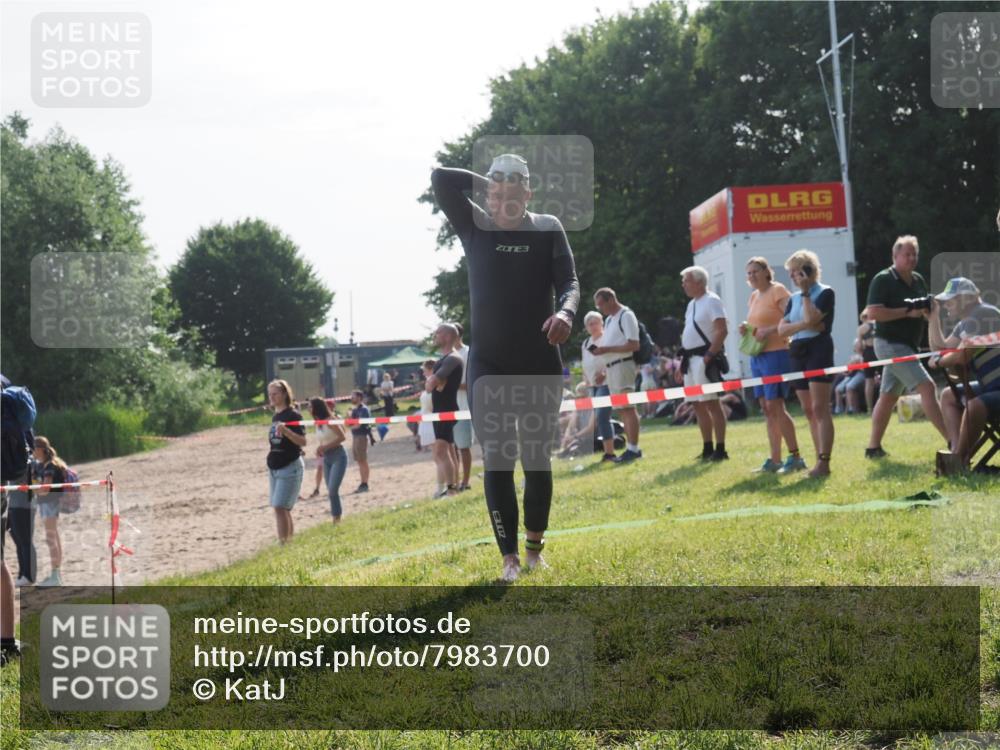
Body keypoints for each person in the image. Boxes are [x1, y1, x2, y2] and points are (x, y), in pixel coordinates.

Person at [431, 153, 579, 582]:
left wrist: (566, 315)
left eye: (513, 195)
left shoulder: (548, 228)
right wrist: (492, 183)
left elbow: (569, 282)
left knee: (536, 457)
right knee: (497, 457)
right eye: (495, 195)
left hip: (539, 361)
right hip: (489, 364)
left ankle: (535, 550)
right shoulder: (475, 225)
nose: (503, 203)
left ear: (528, 194)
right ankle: (509, 558)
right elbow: (441, 178)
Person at [863, 235, 948, 457]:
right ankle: (953, 440)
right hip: (889, 344)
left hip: (908, 345)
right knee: (927, 387)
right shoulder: (882, 279)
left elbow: (924, 309)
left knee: (888, 397)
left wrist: (931, 312)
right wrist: (907, 312)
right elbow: (873, 313)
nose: (911, 258)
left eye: (914, 254)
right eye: (907, 254)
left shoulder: (918, 279)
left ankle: (873, 447)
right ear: (895, 256)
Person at [738, 257, 804, 474]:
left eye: (755, 271)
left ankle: (795, 457)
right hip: (758, 355)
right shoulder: (754, 296)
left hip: (776, 354)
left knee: (776, 406)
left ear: (767, 271)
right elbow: (759, 323)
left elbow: (792, 318)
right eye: (748, 273)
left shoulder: (778, 290)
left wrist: (771, 330)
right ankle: (774, 459)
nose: (751, 276)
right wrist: (747, 329)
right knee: (767, 408)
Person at [778, 250, 836, 478]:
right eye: (791, 272)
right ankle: (817, 457)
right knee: (808, 409)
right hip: (798, 351)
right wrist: (804, 324)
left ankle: (824, 461)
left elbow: (813, 319)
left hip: (818, 349)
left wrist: (805, 293)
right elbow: (782, 329)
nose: (793, 276)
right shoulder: (792, 299)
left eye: (797, 271)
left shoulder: (825, 292)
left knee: (820, 408)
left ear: (809, 271)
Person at [927, 277, 1000, 454]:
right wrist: (933, 316)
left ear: (965, 299)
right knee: (948, 396)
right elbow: (942, 347)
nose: (945, 305)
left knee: (974, 405)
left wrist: (939, 361)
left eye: (949, 300)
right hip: (990, 386)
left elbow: (961, 356)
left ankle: (959, 459)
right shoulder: (965, 323)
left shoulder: (983, 314)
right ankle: (955, 450)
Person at [678, 266, 729, 461]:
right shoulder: (692, 304)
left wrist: (709, 355)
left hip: (703, 359)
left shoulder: (712, 300)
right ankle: (707, 447)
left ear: (699, 282)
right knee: (698, 405)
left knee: (711, 403)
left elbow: (721, 330)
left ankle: (720, 448)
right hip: (690, 360)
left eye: (687, 281)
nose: (684, 285)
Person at [591, 288, 642, 464]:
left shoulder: (626, 315)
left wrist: (607, 350)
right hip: (612, 369)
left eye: (601, 305)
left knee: (628, 408)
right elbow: (613, 346)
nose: (600, 309)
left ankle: (634, 449)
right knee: (621, 409)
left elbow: (634, 344)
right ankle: (630, 448)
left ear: (611, 299)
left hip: (623, 366)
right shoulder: (610, 319)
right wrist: (604, 369)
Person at [426, 324, 463, 498]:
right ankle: (450, 489)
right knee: (447, 450)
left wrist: (435, 382)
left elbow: (432, 383)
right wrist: (434, 383)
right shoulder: (444, 359)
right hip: (439, 410)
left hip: (447, 409)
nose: (435, 335)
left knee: (441, 451)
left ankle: (451, 490)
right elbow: (433, 384)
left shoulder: (453, 359)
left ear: (448, 336)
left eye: (438, 332)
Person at [266, 379, 306, 543]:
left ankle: (284, 543)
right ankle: (287, 541)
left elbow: (302, 442)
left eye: (275, 393)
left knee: (280, 506)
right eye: (270, 394)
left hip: (290, 466)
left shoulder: (293, 415)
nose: (272, 397)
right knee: (280, 508)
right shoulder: (276, 415)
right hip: (275, 466)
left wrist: (287, 432)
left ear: (284, 394)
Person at [29, 436, 68, 587]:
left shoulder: (50, 467)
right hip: (49, 504)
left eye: (33, 449)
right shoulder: (43, 465)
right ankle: (56, 574)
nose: (32, 452)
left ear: (39, 449)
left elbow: (45, 489)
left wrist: (32, 489)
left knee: (51, 538)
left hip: (50, 503)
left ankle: (55, 576)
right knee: (54, 537)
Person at [581, 311, 615, 461]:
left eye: (595, 322)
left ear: (602, 323)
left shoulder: (607, 338)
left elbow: (612, 359)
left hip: (606, 383)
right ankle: (608, 450)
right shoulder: (586, 343)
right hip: (592, 385)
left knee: (602, 417)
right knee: (599, 418)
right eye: (589, 324)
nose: (593, 326)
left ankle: (610, 453)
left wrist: (604, 373)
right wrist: (585, 379)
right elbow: (585, 363)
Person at [310, 398, 348, 523]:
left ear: (316, 408)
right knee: (330, 490)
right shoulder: (318, 423)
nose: (308, 409)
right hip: (326, 457)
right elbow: (324, 440)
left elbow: (343, 436)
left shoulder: (330, 421)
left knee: (332, 489)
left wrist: (325, 447)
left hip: (338, 455)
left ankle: (337, 517)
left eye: (310, 407)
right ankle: (336, 517)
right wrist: (320, 449)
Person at [451, 322, 473, 491]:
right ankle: (455, 482)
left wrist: (450, 385)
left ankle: (465, 482)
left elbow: (471, 382)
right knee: (453, 448)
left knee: (463, 447)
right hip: (450, 407)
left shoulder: (468, 352)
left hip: (465, 406)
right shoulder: (447, 355)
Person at [348, 390, 372, 493]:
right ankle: (363, 482)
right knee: (359, 460)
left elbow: (358, 425)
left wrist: (351, 426)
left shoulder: (364, 410)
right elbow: (350, 423)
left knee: (363, 460)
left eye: (353, 396)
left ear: (359, 397)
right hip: (355, 436)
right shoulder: (355, 410)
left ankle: (365, 483)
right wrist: (349, 417)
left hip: (361, 436)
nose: (351, 398)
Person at [857, 310, 880, 413]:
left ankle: (869, 408)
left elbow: (859, 346)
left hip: (868, 353)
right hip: (879, 351)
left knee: (869, 381)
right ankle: (884, 404)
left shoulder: (861, 328)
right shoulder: (878, 325)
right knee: (884, 378)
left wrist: (862, 352)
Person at [417, 361, 436, 452]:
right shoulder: (428, 383)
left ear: (431, 370)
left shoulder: (433, 382)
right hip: (426, 419)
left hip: (431, 421)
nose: (423, 373)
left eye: (425, 370)